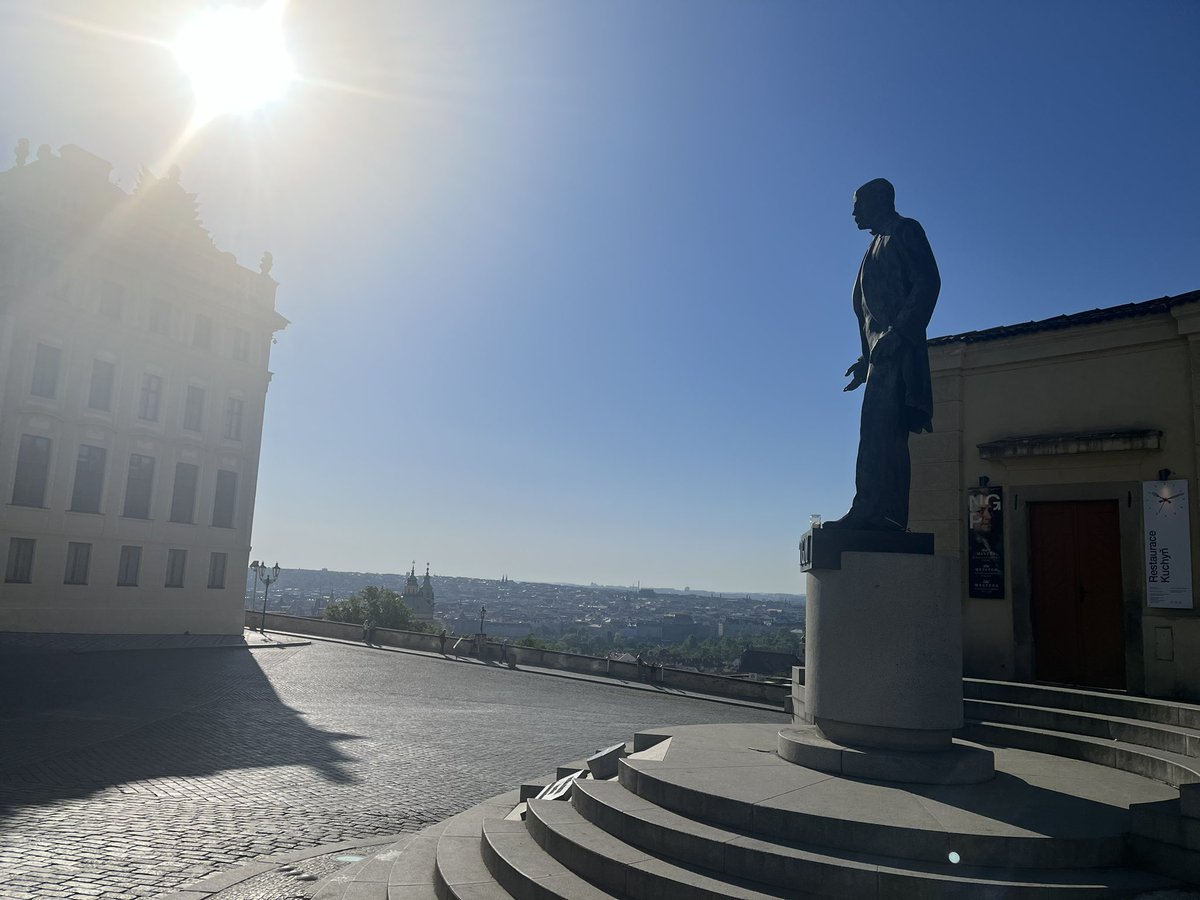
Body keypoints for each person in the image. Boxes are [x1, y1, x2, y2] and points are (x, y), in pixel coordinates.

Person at [825, 178, 940, 532]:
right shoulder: (873, 247)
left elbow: (928, 283)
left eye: (859, 203)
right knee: (874, 433)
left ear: (881, 200)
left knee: (884, 434)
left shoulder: (905, 232)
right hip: (879, 359)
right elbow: (869, 314)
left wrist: (900, 333)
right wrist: (864, 359)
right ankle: (873, 509)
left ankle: (882, 515)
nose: (854, 211)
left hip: (899, 355)